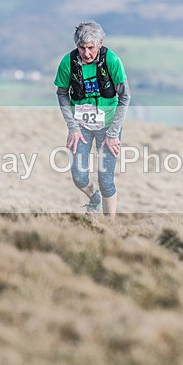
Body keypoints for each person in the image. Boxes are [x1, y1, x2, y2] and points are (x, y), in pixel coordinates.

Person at [55, 21, 130, 219]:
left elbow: (125, 97)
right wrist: (72, 127)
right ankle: (93, 198)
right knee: (79, 177)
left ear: (100, 43)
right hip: (81, 127)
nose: (86, 53)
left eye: (91, 47)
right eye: (82, 48)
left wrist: (113, 134)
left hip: (108, 127)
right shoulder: (68, 63)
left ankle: (108, 226)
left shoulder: (112, 61)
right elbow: (62, 93)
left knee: (106, 180)